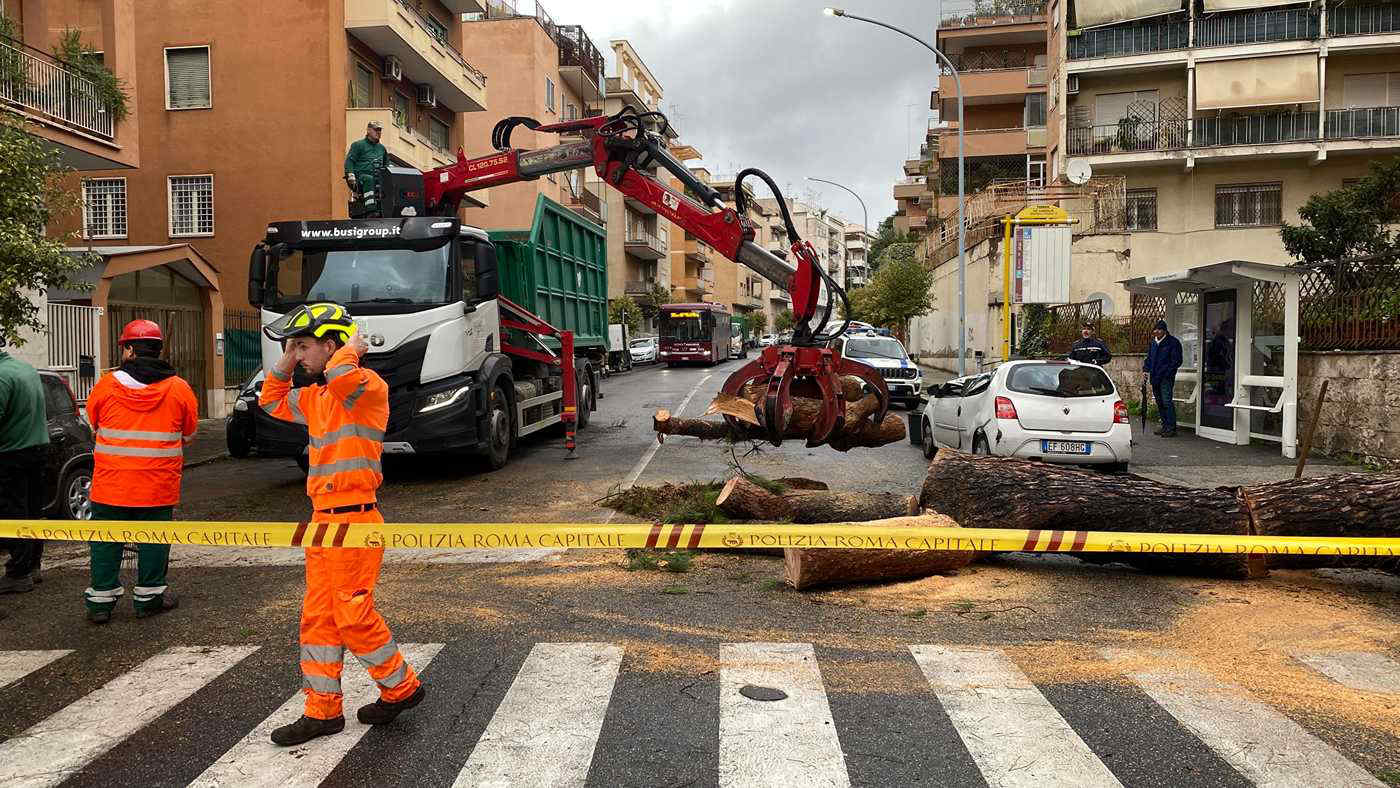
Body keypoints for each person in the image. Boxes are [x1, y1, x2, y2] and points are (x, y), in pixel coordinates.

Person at [259, 302, 425, 747]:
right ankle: (323, 711)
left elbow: (343, 376)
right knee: (318, 618)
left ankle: (401, 687)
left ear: (332, 346)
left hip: (356, 522)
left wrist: (349, 350)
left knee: (352, 615)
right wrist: (289, 358)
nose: (299, 354)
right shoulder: (317, 399)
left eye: (305, 345)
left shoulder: (367, 385)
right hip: (322, 524)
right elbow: (270, 400)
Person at [85, 319, 198, 623]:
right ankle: (148, 600)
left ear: (130, 350)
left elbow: (92, 425)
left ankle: (100, 603)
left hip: (111, 486)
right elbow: (188, 434)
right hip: (157, 487)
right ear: (159, 349)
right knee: (154, 542)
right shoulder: (179, 388)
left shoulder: (107, 385)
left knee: (106, 543)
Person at [0, 344, 50, 596]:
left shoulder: (1, 375)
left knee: (13, 513)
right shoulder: (26, 369)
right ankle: (32, 566)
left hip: (11, 454)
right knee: (33, 510)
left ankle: (18, 574)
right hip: (37, 449)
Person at [1143, 319, 1183, 437]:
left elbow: (1177, 361)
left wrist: (1168, 373)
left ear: (1164, 331)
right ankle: (1165, 425)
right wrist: (1145, 370)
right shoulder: (1153, 343)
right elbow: (1149, 358)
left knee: (1166, 401)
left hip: (1166, 377)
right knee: (1159, 402)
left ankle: (1171, 427)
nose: (1157, 332)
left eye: (1159, 330)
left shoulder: (1173, 342)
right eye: (1155, 330)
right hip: (1155, 376)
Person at [344, 120, 387, 199]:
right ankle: (370, 207)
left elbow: (386, 165)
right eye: (376, 130)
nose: (378, 132)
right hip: (360, 178)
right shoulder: (358, 145)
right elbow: (349, 161)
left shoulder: (382, 149)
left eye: (380, 130)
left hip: (377, 179)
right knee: (369, 179)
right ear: (368, 130)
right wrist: (350, 174)